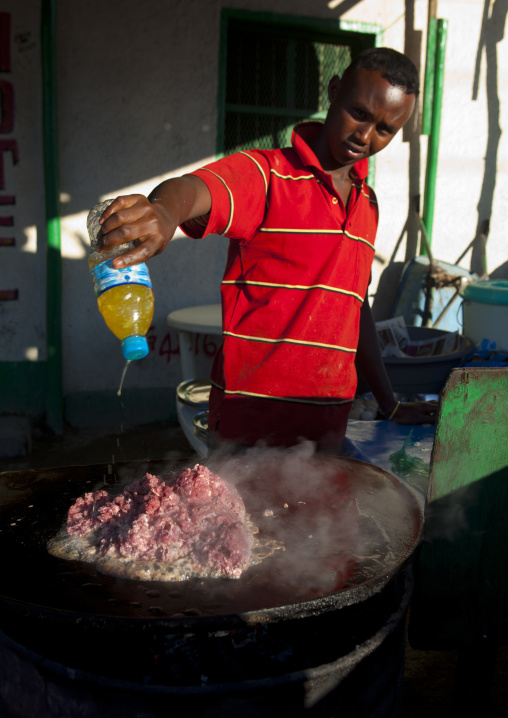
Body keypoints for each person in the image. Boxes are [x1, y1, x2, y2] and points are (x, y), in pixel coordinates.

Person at [98, 47, 437, 453]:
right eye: (359, 113)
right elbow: (194, 190)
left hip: (328, 422)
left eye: (384, 129)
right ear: (334, 91)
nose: (364, 137)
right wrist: (164, 211)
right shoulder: (267, 175)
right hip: (250, 423)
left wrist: (390, 403)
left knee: (321, 518)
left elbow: (353, 304)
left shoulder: (368, 204)